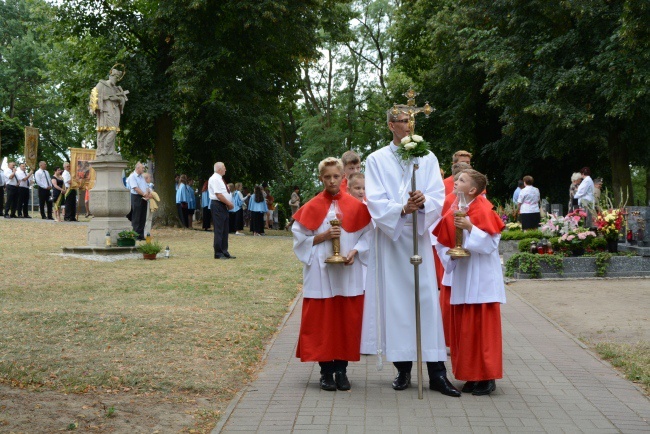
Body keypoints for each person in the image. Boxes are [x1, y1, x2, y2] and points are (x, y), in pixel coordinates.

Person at [364, 105, 460, 397]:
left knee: (427, 302)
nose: (408, 127)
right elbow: (375, 199)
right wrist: (402, 208)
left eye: (411, 121)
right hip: (392, 239)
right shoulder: (376, 159)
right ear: (391, 125)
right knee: (397, 304)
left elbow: (437, 194)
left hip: (418, 234)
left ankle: (437, 374)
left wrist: (424, 200)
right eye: (403, 122)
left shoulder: (427, 156)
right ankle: (403, 369)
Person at [292, 157, 372, 391]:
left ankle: (342, 370)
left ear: (342, 177)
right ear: (321, 178)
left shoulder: (356, 207)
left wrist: (356, 251)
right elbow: (299, 240)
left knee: (346, 320)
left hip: (348, 271)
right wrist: (323, 236)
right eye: (327, 177)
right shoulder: (312, 206)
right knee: (322, 322)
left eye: (336, 176)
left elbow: (368, 235)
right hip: (320, 272)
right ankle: (326, 372)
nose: (332, 180)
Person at [433, 169, 506, 396]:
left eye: (461, 180)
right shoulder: (454, 209)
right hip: (463, 276)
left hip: (482, 278)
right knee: (465, 331)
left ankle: (487, 377)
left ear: (473, 190)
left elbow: (491, 244)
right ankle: (471, 376)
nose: (456, 182)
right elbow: (440, 242)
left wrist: (470, 228)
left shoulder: (484, 208)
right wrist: (451, 254)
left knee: (483, 330)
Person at [89, 67, 128, 158]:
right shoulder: (101, 85)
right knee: (110, 130)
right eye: (115, 77)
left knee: (114, 130)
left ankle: (110, 151)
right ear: (110, 76)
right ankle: (104, 150)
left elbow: (123, 99)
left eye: (117, 79)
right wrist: (92, 108)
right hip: (106, 111)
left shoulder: (117, 89)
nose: (116, 80)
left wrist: (117, 98)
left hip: (115, 111)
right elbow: (93, 95)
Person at [208, 162, 235, 259]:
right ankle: (218, 253)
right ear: (219, 169)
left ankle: (224, 251)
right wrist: (229, 203)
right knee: (219, 229)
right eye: (224, 167)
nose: (225, 169)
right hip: (218, 205)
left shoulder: (219, 178)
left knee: (225, 229)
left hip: (222, 205)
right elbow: (218, 195)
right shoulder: (215, 179)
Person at [127, 162, 151, 240]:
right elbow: (135, 188)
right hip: (136, 197)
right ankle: (135, 234)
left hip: (144, 197)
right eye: (142, 168)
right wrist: (144, 194)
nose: (143, 169)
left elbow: (146, 186)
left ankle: (141, 234)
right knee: (136, 216)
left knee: (142, 217)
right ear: (137, 168)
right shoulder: (132, 176)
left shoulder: (142, 177)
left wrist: (147, 193)